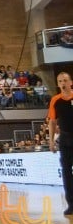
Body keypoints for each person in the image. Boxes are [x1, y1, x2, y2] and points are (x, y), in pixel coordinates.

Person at [48, 71, 73, 216]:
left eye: (65, 80)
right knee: (66, 172)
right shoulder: (55, 100)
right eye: (60, 81)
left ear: (71, 82)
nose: (63, 83)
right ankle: (71, 204)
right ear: (58, 84)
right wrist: (51, 140)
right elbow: (52, 122)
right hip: (65, 139)